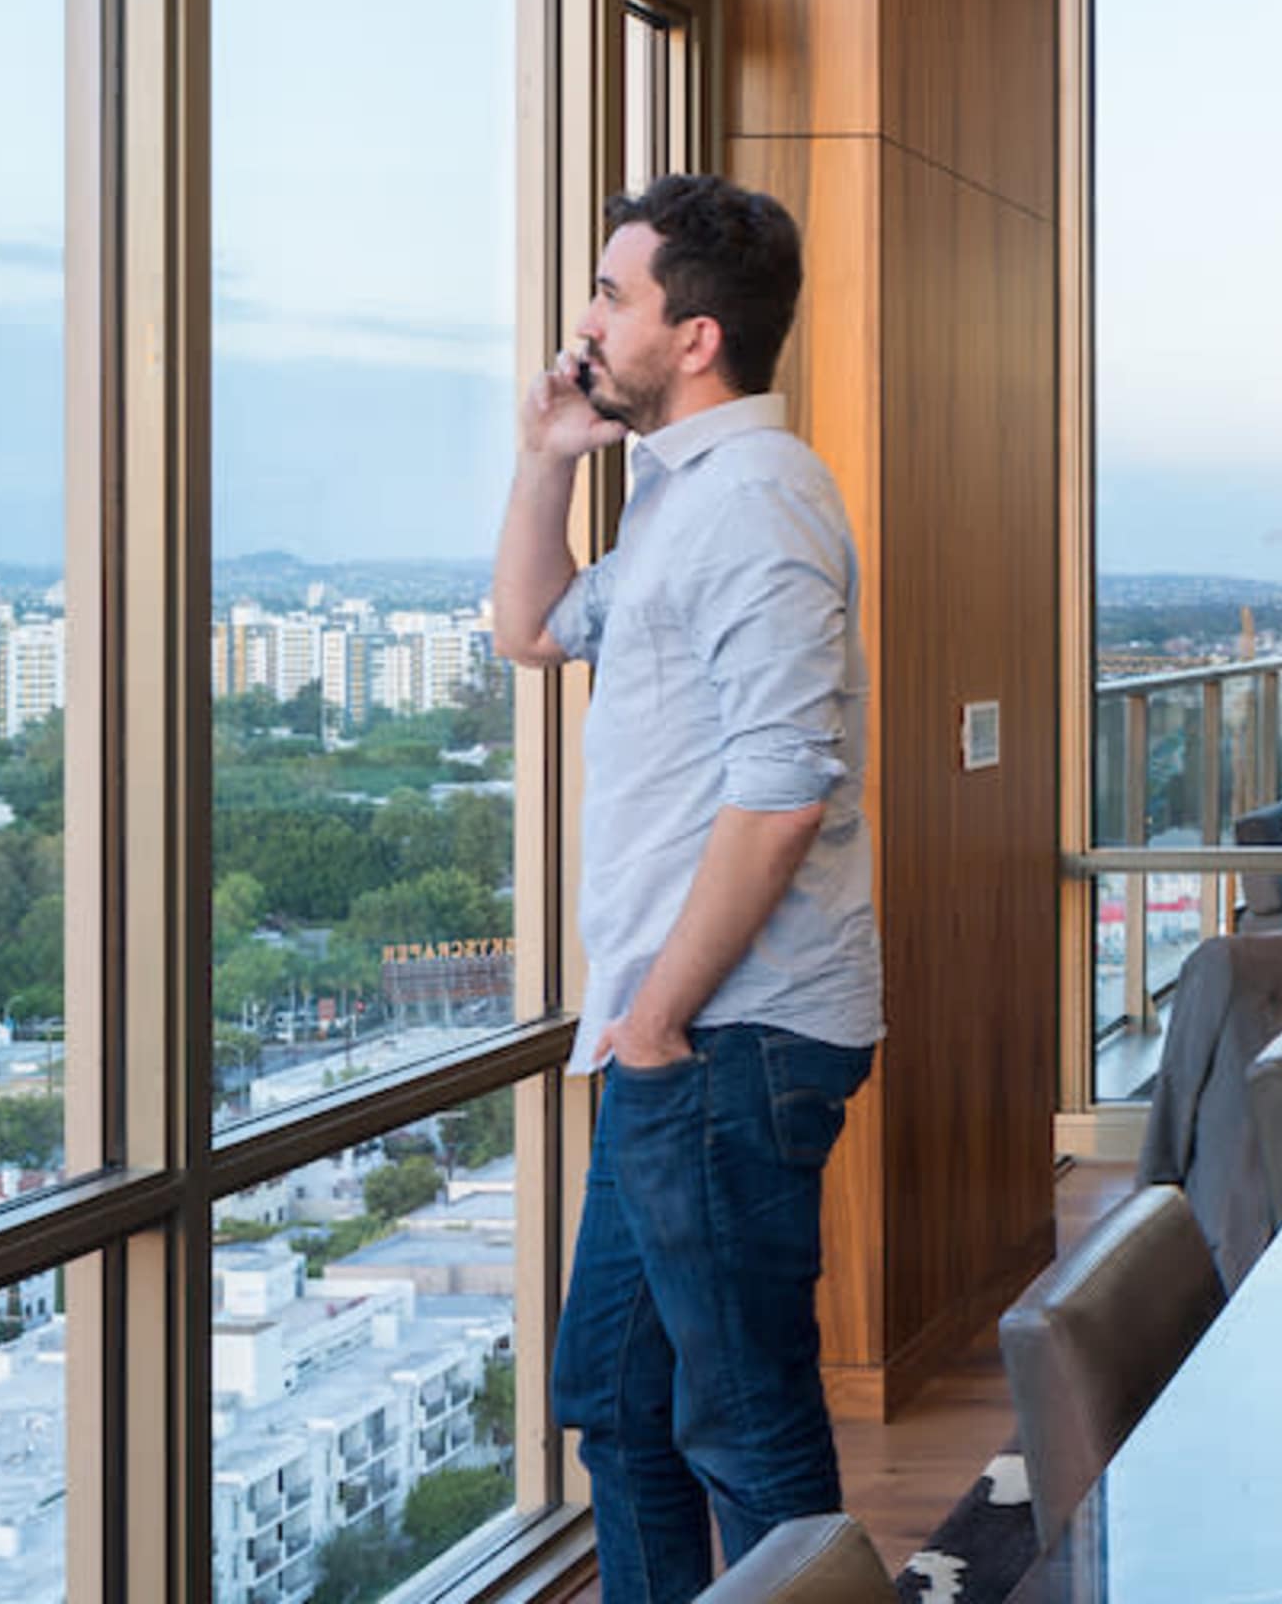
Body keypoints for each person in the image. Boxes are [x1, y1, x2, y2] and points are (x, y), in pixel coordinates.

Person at [489, 173, 882, 1603]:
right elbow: (531, 627)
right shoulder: (677, 502)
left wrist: (655, 1023)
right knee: (618, 1403)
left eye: (612, 293)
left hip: (726, 1032)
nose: (586, 319)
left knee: (744, 1420)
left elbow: (786, 787)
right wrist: (549, 458)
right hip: (671, 1032)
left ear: (695, 336)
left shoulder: (760, 506)